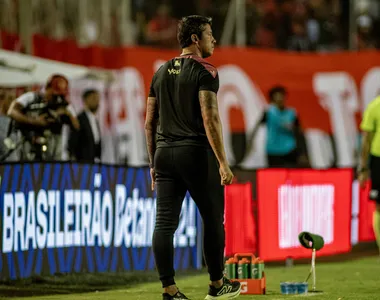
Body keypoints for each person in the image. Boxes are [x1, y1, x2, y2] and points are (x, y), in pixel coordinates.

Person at [144, 15, 241, 300]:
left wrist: (153, 163)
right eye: (210, 34)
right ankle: (216, 285)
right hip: (195, 154)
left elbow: (149, 122)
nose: (214, 40)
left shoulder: (159, 72)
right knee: (212, 220)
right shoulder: (206, 71)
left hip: (164, 155)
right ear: (196, 39)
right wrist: (223, 162)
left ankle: (169, 290)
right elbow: (210, 117)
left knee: (164, 224)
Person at [7, 74, 79, 161]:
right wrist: (35, 121)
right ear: (47, 88)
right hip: (28, 147)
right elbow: (12, 111)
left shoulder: (65, 106)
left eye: (61, 95)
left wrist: (66, 113)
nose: (57, 98)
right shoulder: (32, 97)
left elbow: (77, 126)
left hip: (53, 151)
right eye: (55, 95)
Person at [247, 85, 308, 168]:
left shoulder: (292, 113)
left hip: (289, 149)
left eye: (281, 96)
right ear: (272, 99)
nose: (280, 99)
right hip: (273, 151)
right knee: (275, 176)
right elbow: (256, 128)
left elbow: (300, 131)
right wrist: (250, 143)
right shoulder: (268, 112)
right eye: (277, 97)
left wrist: (302, 152)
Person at [358, 95, 380, 255]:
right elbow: (366, 140)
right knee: (379, 205)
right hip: (379, 159)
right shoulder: (374, 106)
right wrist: (364, 168)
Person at [68, 89, 101, 163]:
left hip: (94, 163)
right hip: (82, 165)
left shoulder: (95, 120)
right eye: (93, 98)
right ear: (85, 100)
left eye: (98, 98)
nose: (97, 101)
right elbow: (73, 143)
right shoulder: (79, 120)